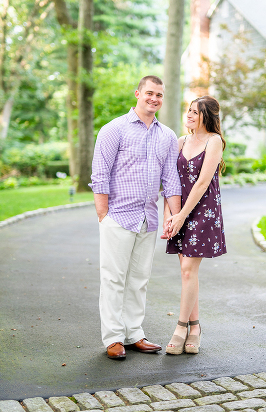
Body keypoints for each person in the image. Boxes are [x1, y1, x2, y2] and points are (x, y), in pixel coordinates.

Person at [90, 75, 182, 360]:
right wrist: (103, 213)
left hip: (148, 218)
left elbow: (171, 180)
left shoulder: (166, 135)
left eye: (159, 95)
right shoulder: (113, 129)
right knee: (114, 278)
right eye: (149, 93)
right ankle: (114, 338)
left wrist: (174, 217)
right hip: (118, 215)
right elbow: (99, 173)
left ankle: (133, 334)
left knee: (139, 279)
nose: (154, 99)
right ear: (138, 94)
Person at [161, 95, 227, 355]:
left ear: (207, 117)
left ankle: (180, 328)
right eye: (188, 110)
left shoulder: (214, 141)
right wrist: (169, 214)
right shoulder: (180, 141)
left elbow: (201, 184)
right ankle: (196, 327)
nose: (189, 115)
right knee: (188, 273)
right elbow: (170, 181)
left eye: (195, 112)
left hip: (203, 211)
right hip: (178, 211)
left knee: (188, 270)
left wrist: (181, 217)